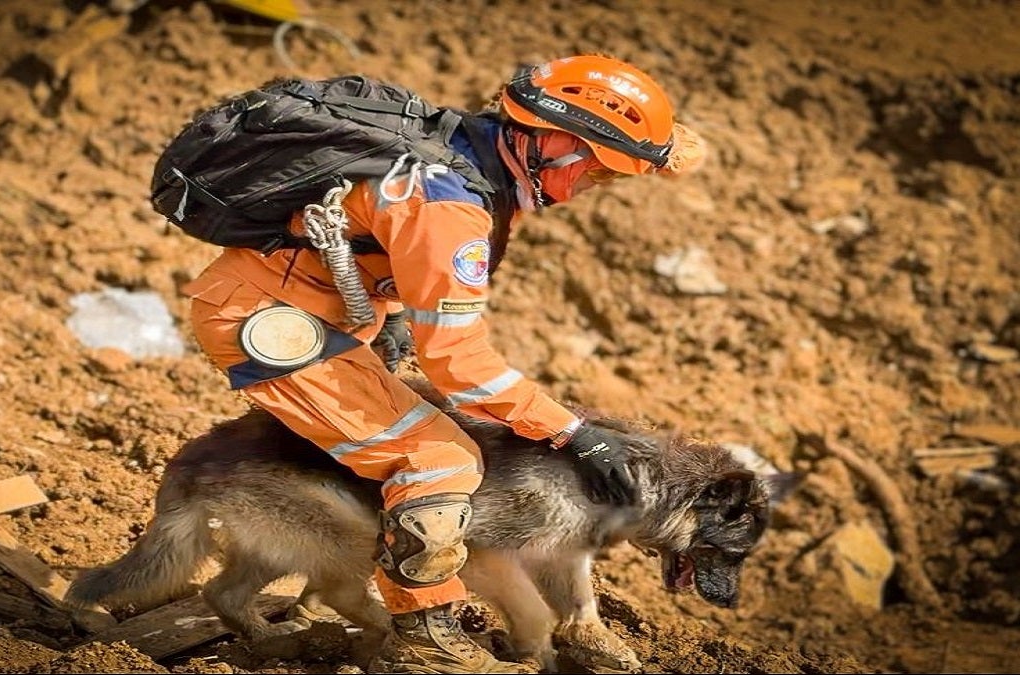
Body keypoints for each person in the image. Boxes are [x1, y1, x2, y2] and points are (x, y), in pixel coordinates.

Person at [183, 54, 706, 674]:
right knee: (436, 460)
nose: (598, 185)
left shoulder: (462, 152)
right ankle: (425, 643)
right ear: (559, 144)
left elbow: (378, 234)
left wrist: (393, 311)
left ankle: (329, 601)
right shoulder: (450, 205)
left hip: (307, 310)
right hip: (270, 323)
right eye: (601, 171)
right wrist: (576, 433)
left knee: (401, 441)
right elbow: (461, 364)